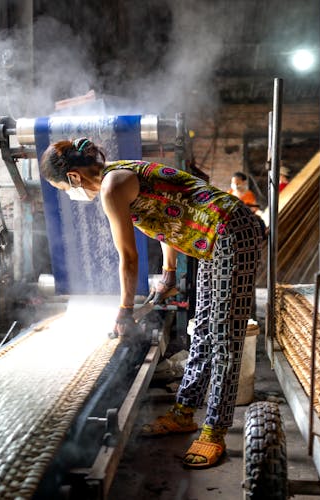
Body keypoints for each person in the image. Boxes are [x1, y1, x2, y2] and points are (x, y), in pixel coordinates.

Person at [40, 137, 264, 469]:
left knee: (223, 338)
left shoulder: (112, 187)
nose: (68, 195)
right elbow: (168, 221)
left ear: (73, 177)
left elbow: (128, 258)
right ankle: (184, 412)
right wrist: (169, 273)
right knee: (201, 328)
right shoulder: (122, 174)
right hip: (211, 237)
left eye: (62, 188)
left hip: (233, 230)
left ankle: (214, 431)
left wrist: (125, 312)